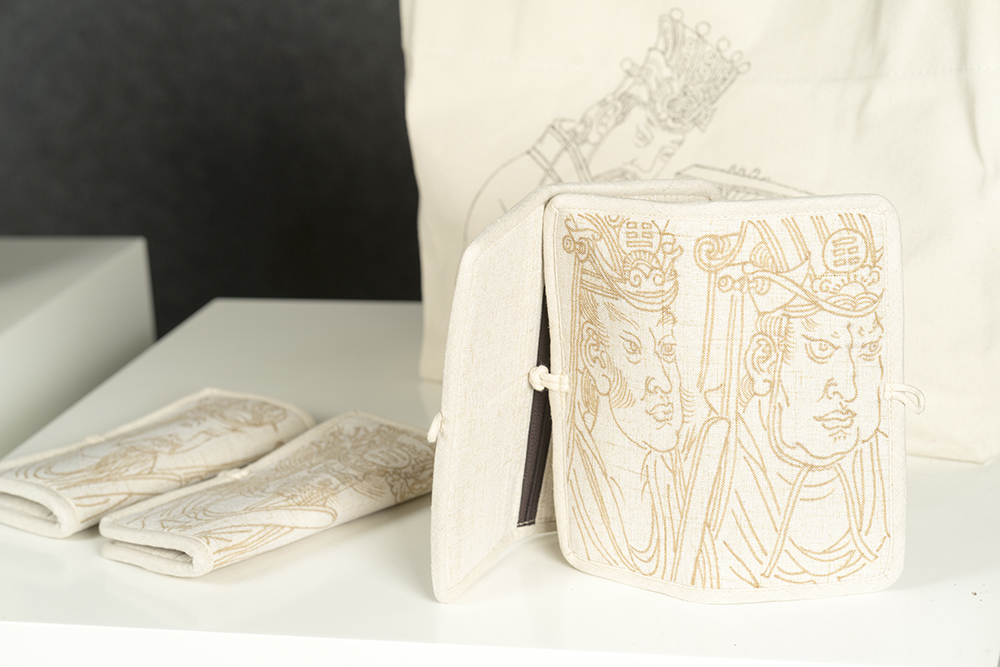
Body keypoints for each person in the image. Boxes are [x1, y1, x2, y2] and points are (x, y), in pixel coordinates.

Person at [694, 213, 889, 588]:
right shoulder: (713, 469)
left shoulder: (881, 461)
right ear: (764, 362)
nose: (849, 390)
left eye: (868, 350)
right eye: (821, 349)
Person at [464, 9, 749, 245]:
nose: (647, 168)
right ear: (607, 118)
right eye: (642, 137)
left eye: (665, 154)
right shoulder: (522, 193)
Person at [562, 212, 727, 583]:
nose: (663, 382)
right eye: (634, 349)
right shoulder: (575, 480)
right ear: (596, 357)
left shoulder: (680, 485)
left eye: (666, 349)